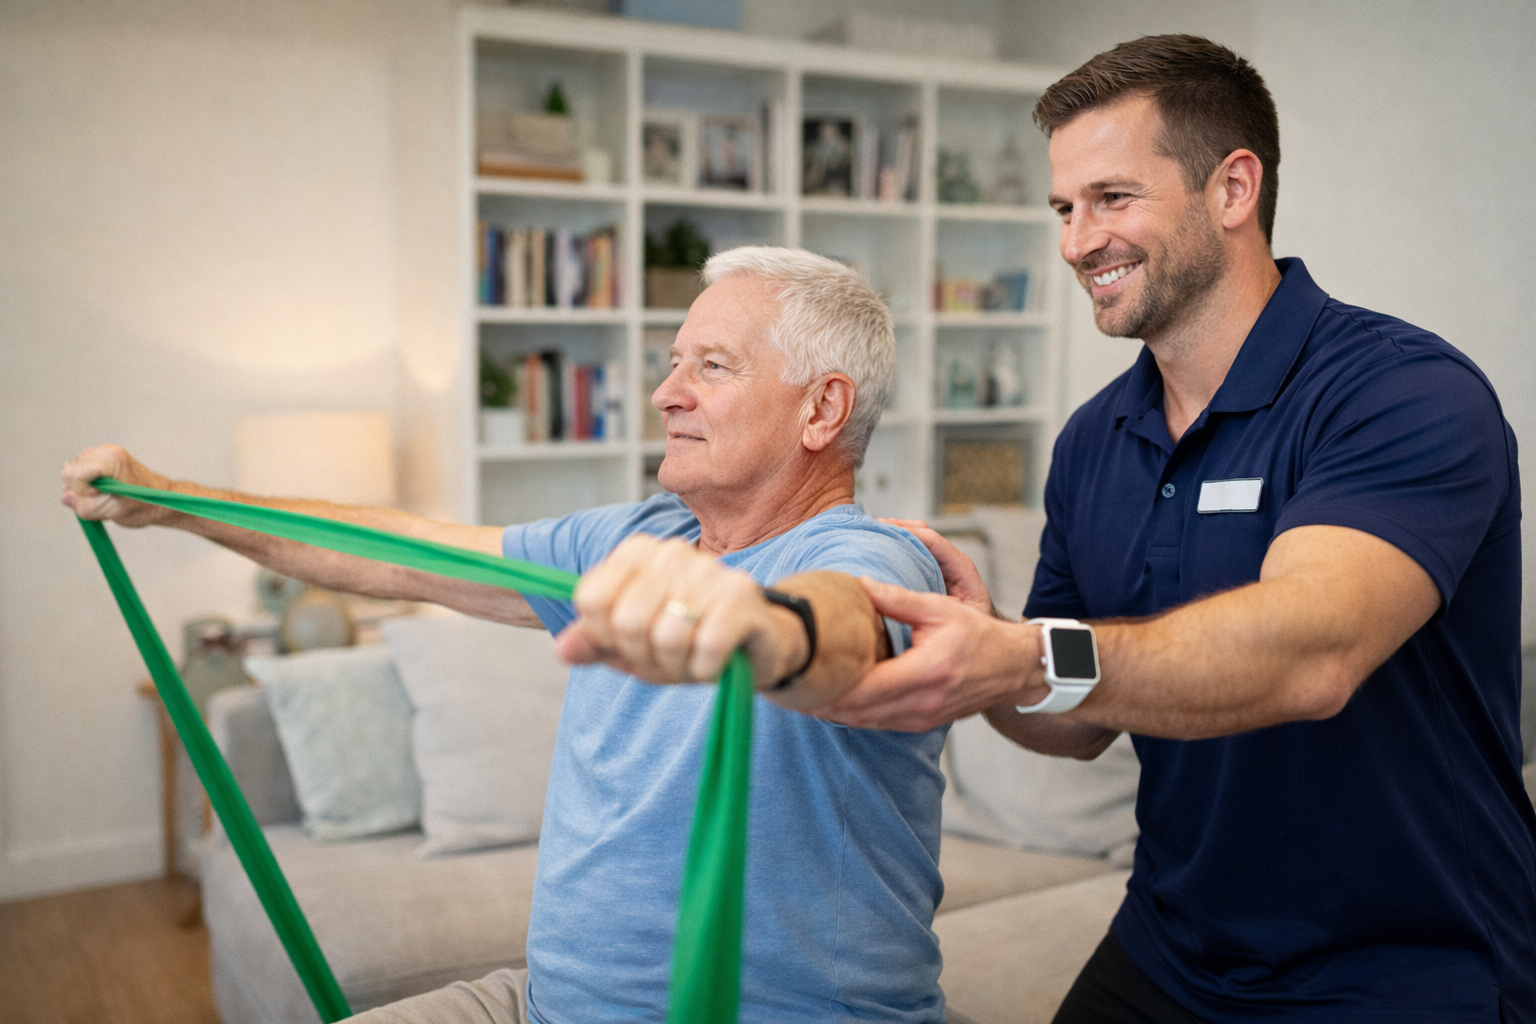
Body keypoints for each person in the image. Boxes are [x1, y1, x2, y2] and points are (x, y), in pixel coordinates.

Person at [819, 34, 1536, 1024]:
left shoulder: (1402, 393)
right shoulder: (1094, 441)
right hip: (1175, 944)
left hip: (1407, 967)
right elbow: (1076, 719)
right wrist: (974, 657)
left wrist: (1022, 656)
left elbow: (1310, 653)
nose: (1077, 242)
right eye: (1065, 209)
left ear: (1233, 188)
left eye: (1113, 198)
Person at [62, 246, 949, 1024]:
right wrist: (171, 500)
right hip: (543, 1004)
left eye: (711, 366)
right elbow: (398, 555)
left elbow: (848, 627)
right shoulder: (634, 539)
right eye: (673, 362)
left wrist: (760, 625)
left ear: (822, 410)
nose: (665, 393)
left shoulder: (873, 557)